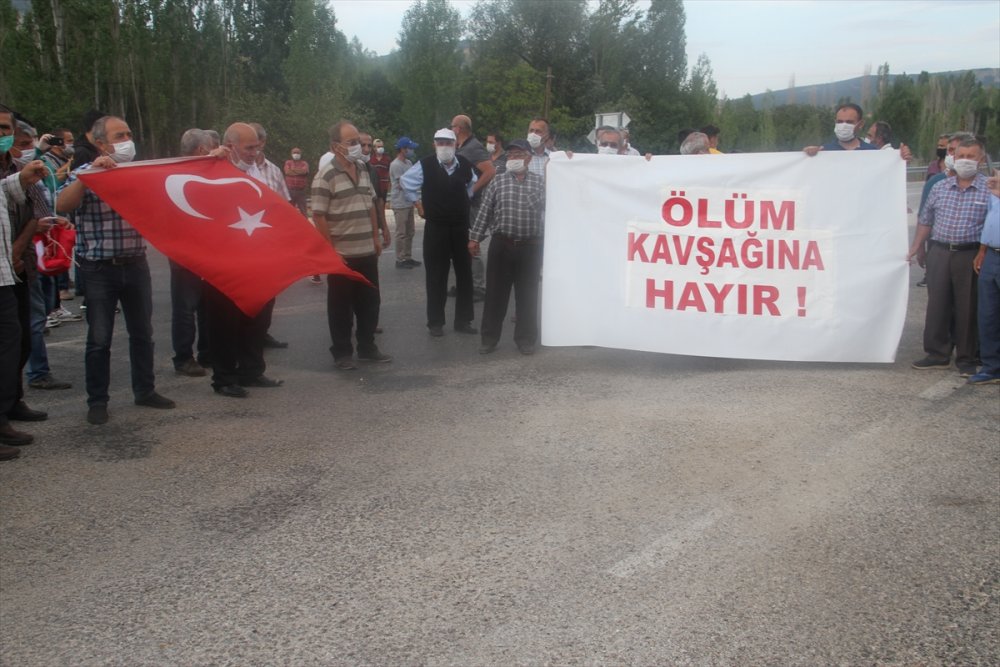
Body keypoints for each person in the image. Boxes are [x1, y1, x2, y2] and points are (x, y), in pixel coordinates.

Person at [56, 114, 176, 424]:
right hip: (99, 269)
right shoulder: (85, 172)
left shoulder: (137, 172)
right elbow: (62, 205)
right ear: (100, 144)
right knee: (99, 339)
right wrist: (87, 176)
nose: (127, 141)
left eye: (128, 134)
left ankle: (145, 390)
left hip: (135, 263)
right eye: (119, 136)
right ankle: (98, 401)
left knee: (143, 333)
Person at [200, 122, 284, 398]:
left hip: (260, 257)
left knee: (257, 317)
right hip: (224, 260)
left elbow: (280, 208)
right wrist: (210, 161)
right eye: (249, 148)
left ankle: (252, 370)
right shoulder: (212, 170)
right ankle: (224, 377)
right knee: (224, 321)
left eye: (257, 147)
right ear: (230, 146)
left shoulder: (266, 170)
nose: (254, 152)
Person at [907, 137, 991, 376]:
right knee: (937, 304)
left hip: (970, 253)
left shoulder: (989, 189)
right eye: (961, 155)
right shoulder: (940, 187)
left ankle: (967, 358)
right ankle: (937, 354)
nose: (964, 160)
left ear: (980, 160)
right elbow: (926, 220)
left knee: (967, 307)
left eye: (970, 157)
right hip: (940, 251)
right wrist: (916, 247)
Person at [311, 120, 391, 370]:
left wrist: (376, 237)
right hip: (342, 255)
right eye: (352, 142)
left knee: (370, 302)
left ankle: (367, 347)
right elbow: (318, 215)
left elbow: (371, 204)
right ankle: (342, 352)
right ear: (336, 146)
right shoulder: (325, 176)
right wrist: (331, 251)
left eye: (359, 141)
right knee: (341, 307)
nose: (358, 146)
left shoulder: (363, 169)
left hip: (367, 249)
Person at [0, 113, 50, 456]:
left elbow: (40, 209)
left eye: (6, 128)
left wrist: (17, 253)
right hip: (8, 264)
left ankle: (9, 404)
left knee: (17, 340)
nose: (4, 134)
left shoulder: (19, 168)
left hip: (15, 269)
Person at [468, 139, 546, 355]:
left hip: (530, 247)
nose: (513, 159)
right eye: (510, 155)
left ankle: (525, 340)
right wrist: (474, 239)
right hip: (502, 245)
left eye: (518, 155)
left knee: (527, 296)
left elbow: (552, 212)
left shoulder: (540, 183)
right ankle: (489, 339)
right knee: (495, 295)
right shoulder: (497, 181)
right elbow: (485, 211)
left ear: (528, 158)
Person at [400, 128, 478, 337]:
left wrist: (463, 201)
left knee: (465, 274)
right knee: (436, 275)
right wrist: (417, 203)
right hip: (436, 227)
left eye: (448, 143)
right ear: (434, 144)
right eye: (440, 143)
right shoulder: (425, 165)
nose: (444, 147)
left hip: (460, 227)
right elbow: (406, 182)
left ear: (456, 145)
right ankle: (435, 322)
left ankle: (463, 320)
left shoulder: (464, 165)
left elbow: (471, 184)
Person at [170, 128, 215, 378]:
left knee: (207, 305)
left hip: (204, 250)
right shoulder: (180, 173)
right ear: (201, 150)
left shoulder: (191, 172)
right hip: (185, 253)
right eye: (210, 148)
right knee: (186, 308)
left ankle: (207, 352)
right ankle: (184, 357)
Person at [248, 122, 289, 350]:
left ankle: (262, 333)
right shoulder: (231, 169)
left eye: (255, 142)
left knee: (268, 294)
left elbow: (284, 206)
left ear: (262, 142)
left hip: (268, 243)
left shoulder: (273, 171)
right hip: (243, 244)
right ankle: (246, 339)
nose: (252, 148)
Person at [452, 114, 495, 301]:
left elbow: (490, 171)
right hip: (463, 205)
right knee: (461, 246)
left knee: (472, 244)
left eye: (452, 126)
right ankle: (465, 284)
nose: (451, 129)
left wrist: (471, 191)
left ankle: (478, 287)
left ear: (458, 128)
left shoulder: (473, 147)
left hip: (473, 205)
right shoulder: (462, 147)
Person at [968, 170, 1000, 385]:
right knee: (988, 314)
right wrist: (982, 250)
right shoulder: (995, 188)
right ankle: (992, 367)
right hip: (992, 256)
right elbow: (991, 219)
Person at [389, 137, 420, 269]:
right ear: (402, 149)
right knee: (401, 232)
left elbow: (413, 178)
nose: (411, 151)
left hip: (408, 201)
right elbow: (402, 184)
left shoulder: (408, 162)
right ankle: (400, 259)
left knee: (410, 231)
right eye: (410, 148)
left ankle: (407, 256)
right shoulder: (396, 165)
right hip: (400, 202)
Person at [283, 147, 310, 217]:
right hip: (290, 191)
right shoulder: (288, 162)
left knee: (303, 211)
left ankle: (304, 223)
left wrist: (292, 170)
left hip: (301, 191)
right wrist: (299, 171)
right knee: (289, 210)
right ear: (291, 154)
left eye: (298, 153)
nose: (296, 154)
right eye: (294, 153)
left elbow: (304, 171)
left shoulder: (304, 163)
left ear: (300, 154)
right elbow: (287, 172)